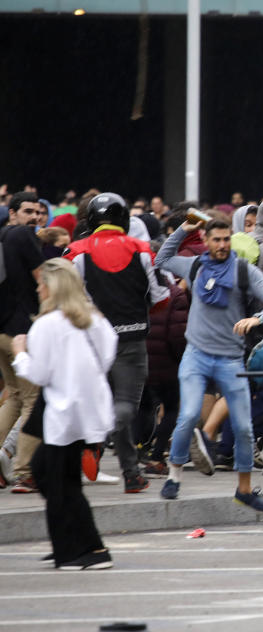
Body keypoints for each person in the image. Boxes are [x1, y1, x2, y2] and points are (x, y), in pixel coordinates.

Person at [154, 218, 263, 511]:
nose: (222, 245)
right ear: (207, 240)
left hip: (230, 359)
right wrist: (183, 229)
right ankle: (174, 476)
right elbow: (161, 259)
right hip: (196, 355)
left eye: (227, 239)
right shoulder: (195, 265)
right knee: (187, 416)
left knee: (244, 428)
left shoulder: (244, 271)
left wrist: (258, 318)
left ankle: (245, 490)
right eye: (216, 240)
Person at [12, 258, 117, 569]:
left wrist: (20, 354)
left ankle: (80, 550)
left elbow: (40, 374)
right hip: (88, 409)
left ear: (53, 288)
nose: (38, 288)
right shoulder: (96, 320)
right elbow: (108, 356)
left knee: (58, 481)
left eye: (42, 283)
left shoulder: (46, 325)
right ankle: (80, 543)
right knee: (51, 472)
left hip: (64, 412)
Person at [63, 193, 170, 493]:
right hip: (132, 340)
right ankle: (96, 440)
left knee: (109, 405)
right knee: (124, 407)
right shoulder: (143, 249)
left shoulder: (73, 252)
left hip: (90, 342)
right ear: (124, 219)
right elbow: (161, 297)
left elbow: (61, 298)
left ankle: (131, 474)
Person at [0, 191, 46, 493]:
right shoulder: (24, 237)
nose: (34, 217)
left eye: (38, 212)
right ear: (13, 212)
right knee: (35, 399)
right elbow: (42, 281)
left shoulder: (2, 235)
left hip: (0, 329)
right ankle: (24, 470)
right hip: (21, 330)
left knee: (14, 394)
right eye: (27, 211)